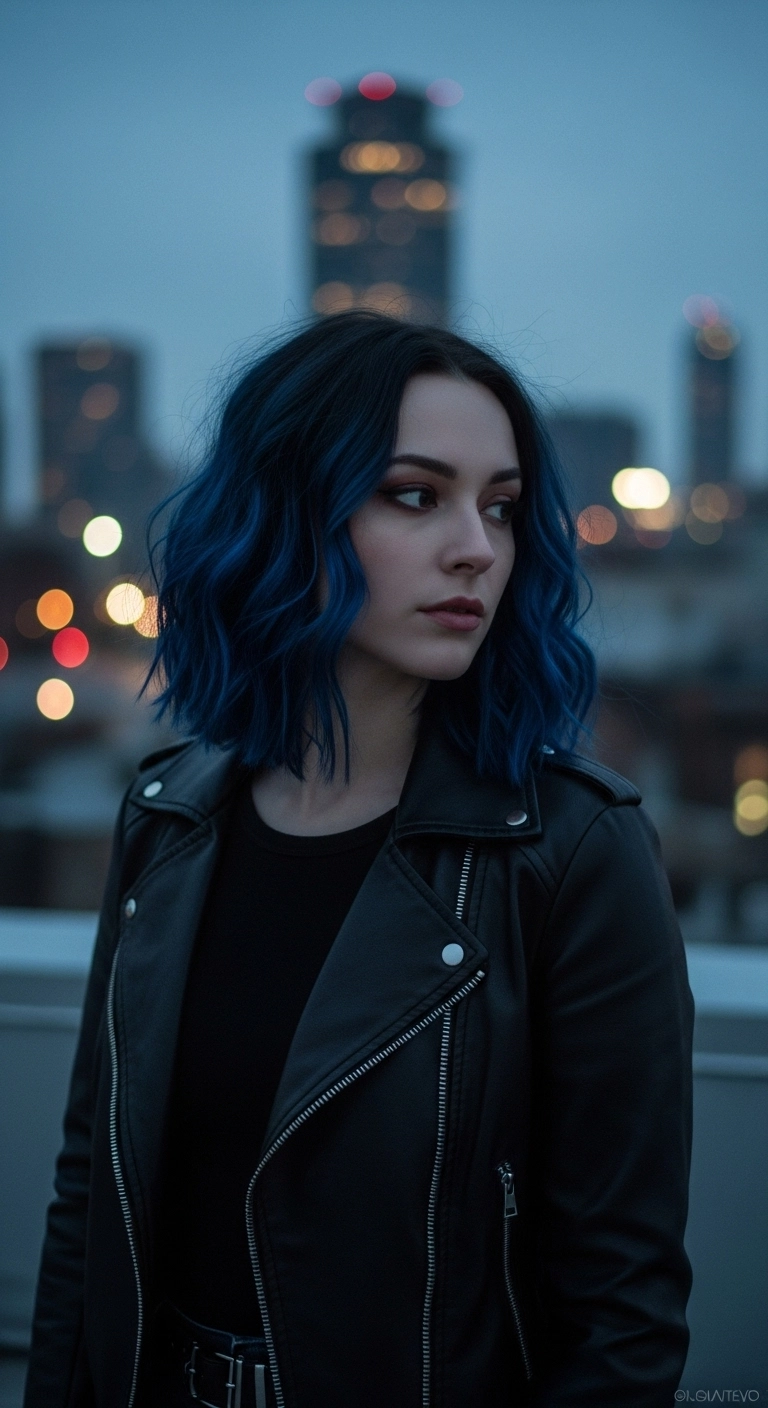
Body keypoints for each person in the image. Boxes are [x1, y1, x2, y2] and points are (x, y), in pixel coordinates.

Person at [24, 312, 693, 1408]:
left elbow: (622, 1307)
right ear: (286, 515)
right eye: (415, 495)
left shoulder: (571, 850)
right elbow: (89, 1193)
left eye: (502, 506)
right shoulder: (168, 817)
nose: (476, 545)